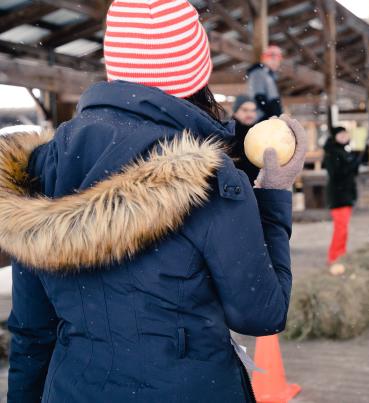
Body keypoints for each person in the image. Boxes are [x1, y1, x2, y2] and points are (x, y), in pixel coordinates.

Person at [2, 2, 308, 402]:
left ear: (115, 68)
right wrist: (274, 194)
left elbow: (32, 331)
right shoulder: (210, 177)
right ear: (197, 72)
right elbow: (261, 312)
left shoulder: (40, 169)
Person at [324, 127, 361, 267]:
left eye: (346, 133)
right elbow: (336, 174)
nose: (344, 136)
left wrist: (356, 159)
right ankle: (333, 257)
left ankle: (341, 254)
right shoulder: (331, 152)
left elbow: (352, 172)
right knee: (340, 229)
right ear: (335, 137)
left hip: (347, 193)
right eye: (341, 134)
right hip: (337, 195)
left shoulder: (346, 150)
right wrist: (353, 162)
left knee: (344, 229)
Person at [229, 94, 260, 185]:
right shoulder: (227, 133)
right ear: (235, 111)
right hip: (235, 186)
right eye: (245, 110)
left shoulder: (259, 132)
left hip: (255, 186)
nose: (250, 114)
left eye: (253, 110)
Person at [247, 46, 283, 121]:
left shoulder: (269, 75)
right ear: (264, 59)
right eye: (272, 59)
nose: (276, 63)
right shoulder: (258, 73)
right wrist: (271, 115)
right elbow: (259, 97)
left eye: (278, 60)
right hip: (262, 119)